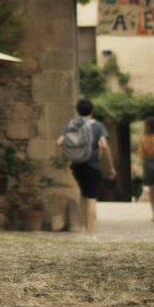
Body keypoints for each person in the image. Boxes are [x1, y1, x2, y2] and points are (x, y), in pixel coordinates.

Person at [57, 99, 115, 236]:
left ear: (77, 110)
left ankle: (84, 228)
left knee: (83, 195)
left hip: (76, 165)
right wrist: (111, 166)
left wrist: (70, 154)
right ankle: (90, 231)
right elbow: (104, 146)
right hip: (92, 165)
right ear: (92, 110)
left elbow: (59, 142)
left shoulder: (71, 124)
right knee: (91, 198)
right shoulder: (98, 126)